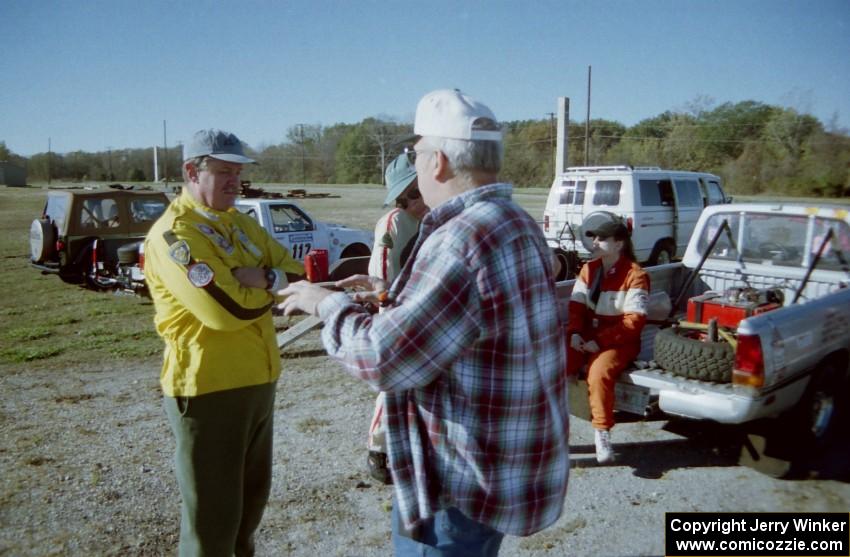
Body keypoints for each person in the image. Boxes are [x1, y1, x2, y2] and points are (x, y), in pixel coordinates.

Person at [278, 89, 569, 556]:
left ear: (437, 163)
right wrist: (386, 296)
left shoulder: (459, 238)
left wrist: (322, 304)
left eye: (415, 157)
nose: (415, 170)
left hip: (456, 486)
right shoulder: (515, 221)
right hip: (498, 472)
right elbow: (469, 322)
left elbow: (383, 360)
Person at [144, 129, 303, 556]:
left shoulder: (241, 223)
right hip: (208, 389)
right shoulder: (174, 236)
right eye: (223, 172)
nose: (235, 182)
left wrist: (265, 277)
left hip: (258, 381)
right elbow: (224, 310)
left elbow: (299, 274)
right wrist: (269, 285)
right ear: (192, 171)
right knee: (212, 527)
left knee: (247, 517)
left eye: (238, 172)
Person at [365, 154, 428, 484]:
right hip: (398, 315)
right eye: (407, 197)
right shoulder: (394, 222)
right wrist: (390, 312)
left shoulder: (435, 219)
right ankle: (379, 449)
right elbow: (380, 277)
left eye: (417, 193)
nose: (413, 202)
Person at [565, 218, 649, 464]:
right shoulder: (588, 269)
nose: (595, 242)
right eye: (593, 237)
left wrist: (599, 342)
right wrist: (574, 334)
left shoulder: (636, 275)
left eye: (602, 238)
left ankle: (601, 434)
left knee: (598, 372)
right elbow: (576, 309)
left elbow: (633, 323)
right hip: (587, 337)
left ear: (619, 243)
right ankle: (549, 429)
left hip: (620, 341)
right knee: (554, 364)